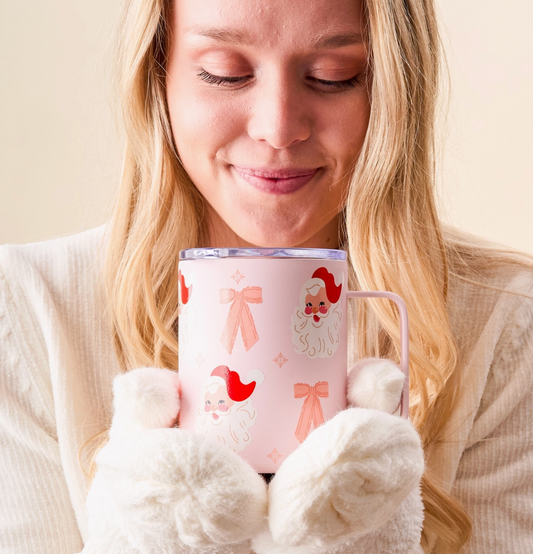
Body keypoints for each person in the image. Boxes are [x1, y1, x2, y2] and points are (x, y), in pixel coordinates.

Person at [0, 0, 532, 552]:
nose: (277, 128)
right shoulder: (28, 309)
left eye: (334, 77)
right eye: (226, 73)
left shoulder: (505, 321)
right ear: (157, 75)